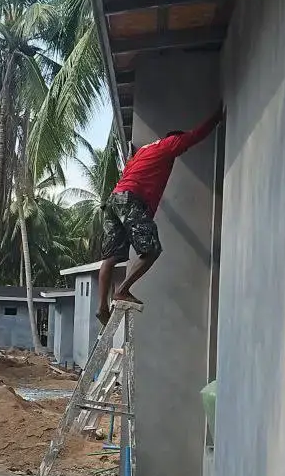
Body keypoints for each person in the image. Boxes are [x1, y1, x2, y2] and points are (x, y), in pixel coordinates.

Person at [96, 104, 225, 325]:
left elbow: (127, 173)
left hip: (114, 199)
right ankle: (122, 291)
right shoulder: (171, 143)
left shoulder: (143, 152)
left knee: (110, 258)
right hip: (132, 200)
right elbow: (195, 135)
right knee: (152, 250)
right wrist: (218, 115)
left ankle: (101, 308)